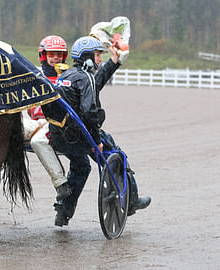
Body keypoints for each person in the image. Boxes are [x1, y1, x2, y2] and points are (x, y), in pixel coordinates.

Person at [44, 36, 151, 227]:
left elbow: (96, 83)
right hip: (81, 137)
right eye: (97, 55)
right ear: (87, 58)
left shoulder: (66, 76)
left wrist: (114, 62)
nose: (99, 60)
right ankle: (132, 200)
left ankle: (63, 212)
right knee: (117, 154)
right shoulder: (85, 78)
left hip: (60, 138)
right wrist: (96, 141)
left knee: (81, 167)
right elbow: (89, 112)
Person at [23, 35, 70, 203]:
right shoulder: (32, 77)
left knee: (38, 141)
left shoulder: (68, 78)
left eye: (59, 54)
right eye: (51, 54)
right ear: (44, 56)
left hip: (54, 123)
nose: (55, 57)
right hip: (32, 123)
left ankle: (60, 183)